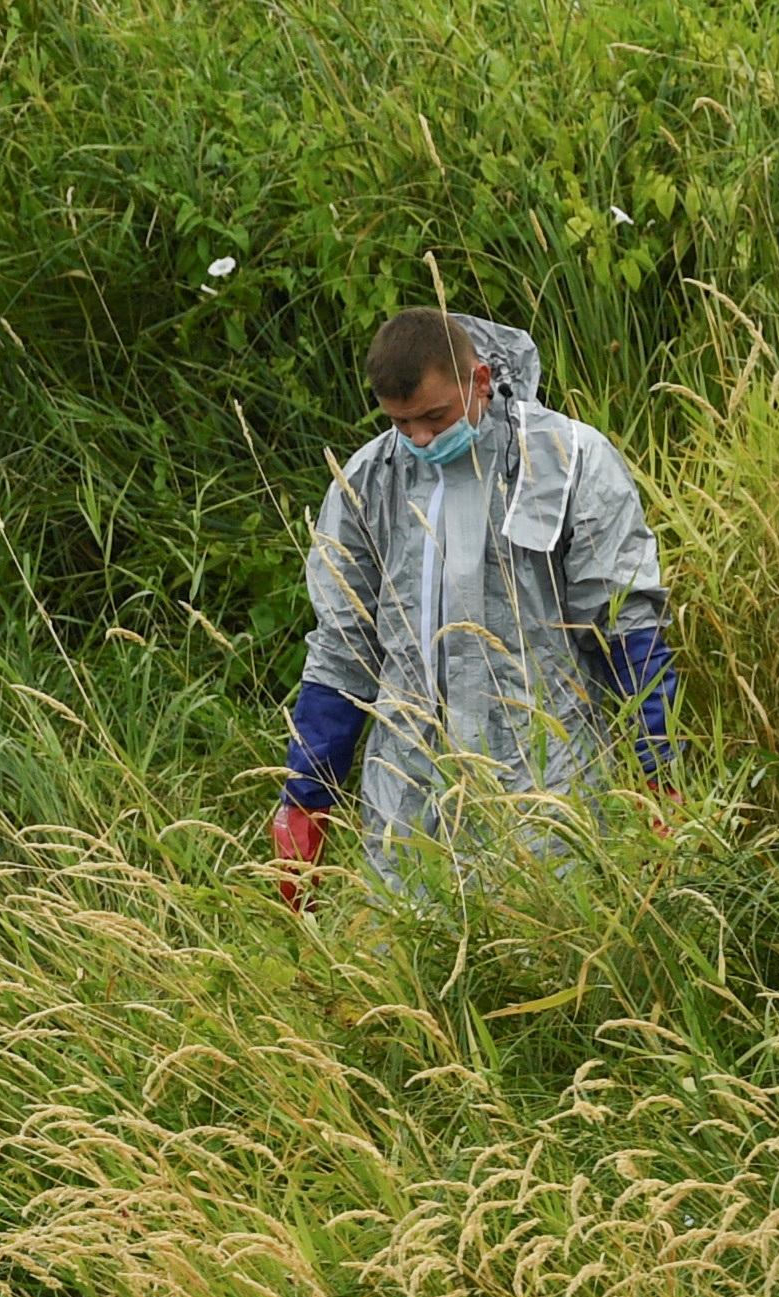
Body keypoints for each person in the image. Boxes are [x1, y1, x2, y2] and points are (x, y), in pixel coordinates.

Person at [274, 307, 672, 902]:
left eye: (435, 416)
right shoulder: (367, 480)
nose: (422, 439)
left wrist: (660, 771)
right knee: (405, 970)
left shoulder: (566, 461)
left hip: (548, 778)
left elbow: (625, 624)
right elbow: (341, 651)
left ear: (480, 379)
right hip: (408, 791)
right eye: (402, 424)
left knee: (553, 950)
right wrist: (306, 798)